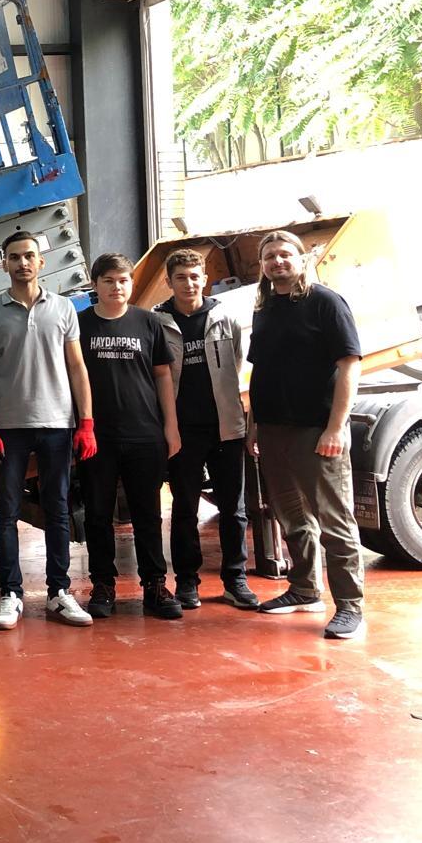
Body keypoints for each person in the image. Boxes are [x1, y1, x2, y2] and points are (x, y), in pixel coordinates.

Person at [246, 230, 366, 640]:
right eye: (269, 257)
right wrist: (254, 427)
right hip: (275, 429)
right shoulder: (265, 307)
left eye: (284, 255)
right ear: (261, 266)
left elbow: (350, 364)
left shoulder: (325, 303)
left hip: (316, 430)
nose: (277, 262)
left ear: (301, 259)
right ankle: (304, 589)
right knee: (291, 517)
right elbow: (259, 371)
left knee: (335, 519)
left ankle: (349, 605)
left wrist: (336, 427)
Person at [0, 230, 95, 631]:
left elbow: (77, 367)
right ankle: (10, 593)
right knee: (6, 511)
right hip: (9, 428)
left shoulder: (63, 309)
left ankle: (60, 592)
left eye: (29, 256)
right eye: (14, 257)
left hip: (57, 424)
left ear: (41, 262)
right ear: (3, 263)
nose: (22, 263)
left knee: (57, 508)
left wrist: (86, 421)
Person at [77, 254, 182, 621]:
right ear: (95, 284)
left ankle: (155, 584)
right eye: (108, 280)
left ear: (131, 284)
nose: (116, 287)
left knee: (148, 514)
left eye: (123, 280)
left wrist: (170, 426)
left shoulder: (148, 323)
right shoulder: (80, 325)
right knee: (98, 514)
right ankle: (103, 585)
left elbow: (163, 377)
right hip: (97, 438)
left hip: (144, 435)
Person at [155, 248, 260, 610]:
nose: (189, 283)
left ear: (205, 279)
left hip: (226, 428)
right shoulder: (157, 323)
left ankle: (236, 579)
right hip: (181, 432)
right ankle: (187, 582)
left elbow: (234, 366)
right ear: (169, 282)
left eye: (195, 276)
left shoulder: (224, 319)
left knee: (235, 508)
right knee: (185, 508)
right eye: (180, 277)